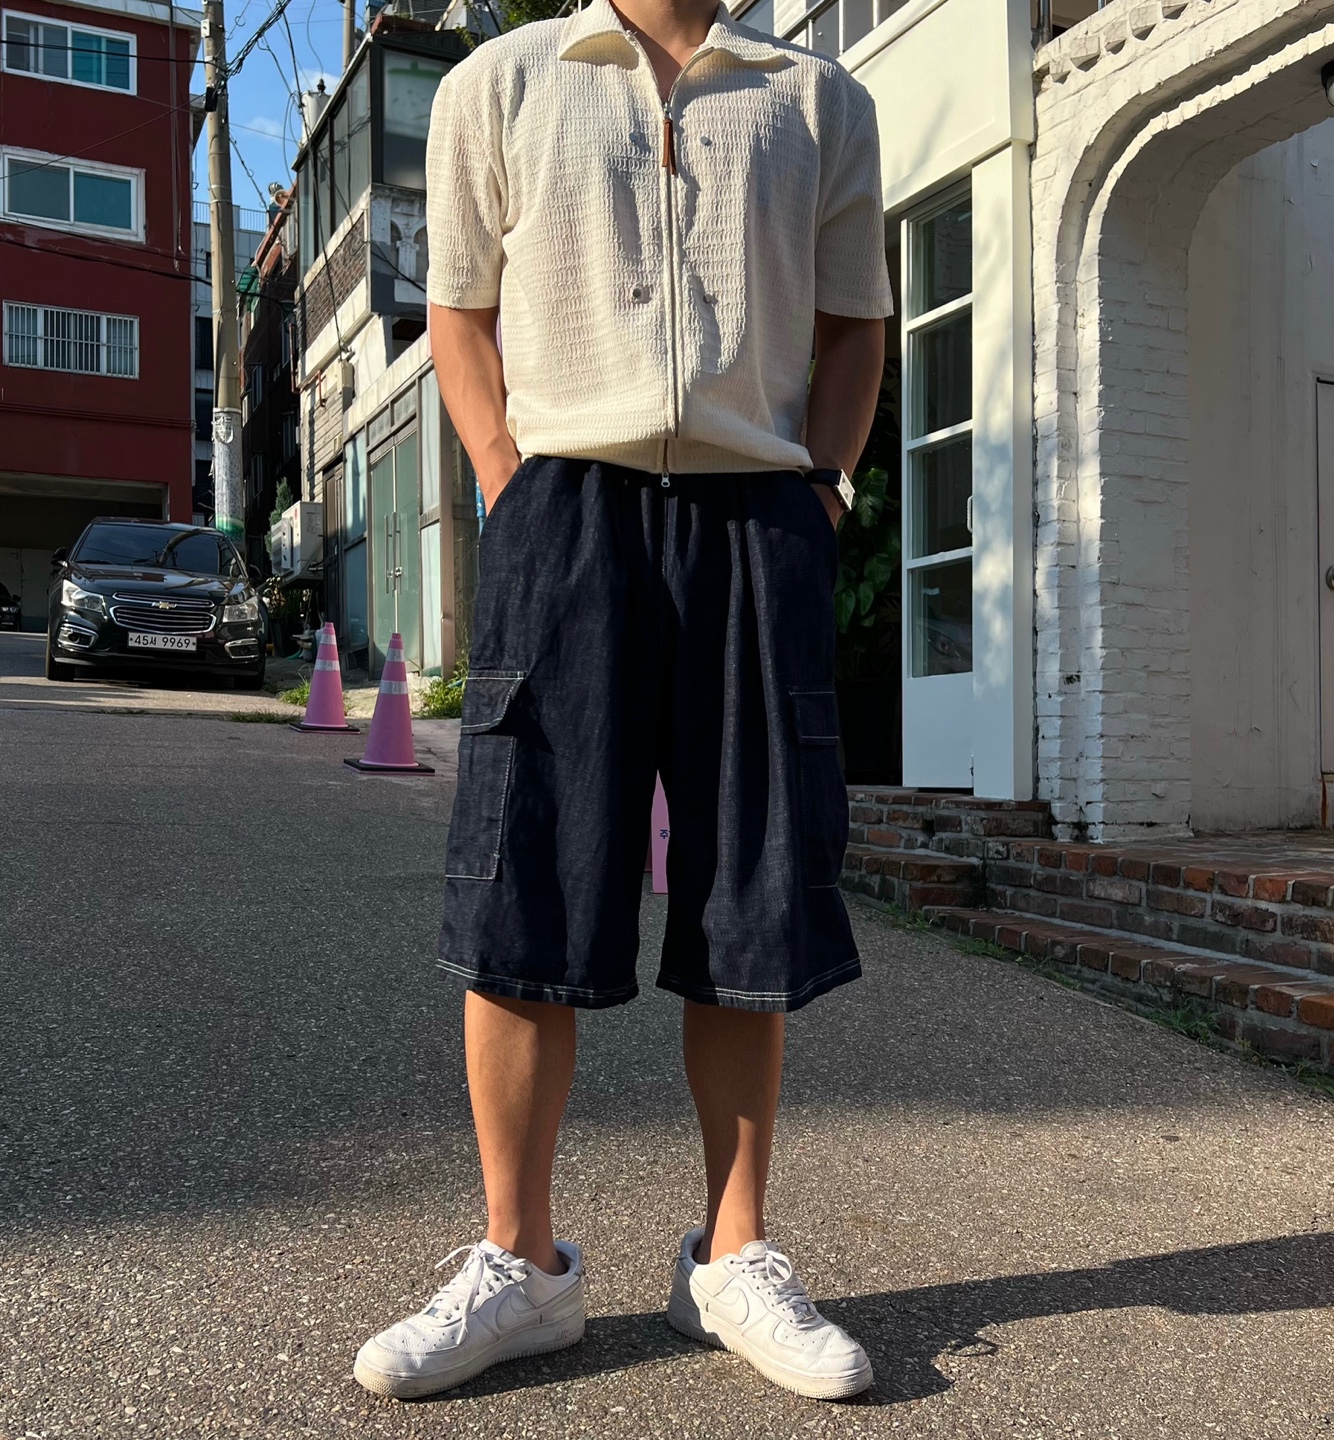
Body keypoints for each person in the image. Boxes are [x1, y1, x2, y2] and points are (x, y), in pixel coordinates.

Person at [353, 0, 889, 1403]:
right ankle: (521, 1265)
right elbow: (459, 312)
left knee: (752, 888)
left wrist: (820, 496)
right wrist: (508, 480)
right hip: (566, 509)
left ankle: (735, 1254)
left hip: (755, 511)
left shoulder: (819, 101)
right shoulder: (502, 83)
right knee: (526, 880)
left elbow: (856, 326)